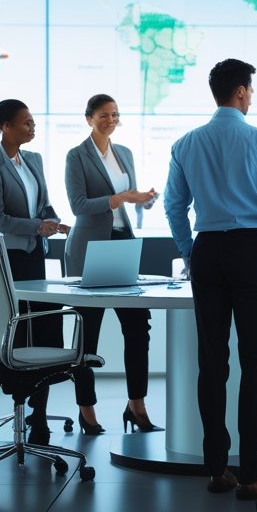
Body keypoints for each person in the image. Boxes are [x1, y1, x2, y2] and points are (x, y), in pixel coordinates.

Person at [164, 59, 257, 500]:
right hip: (250, 251)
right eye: (251, 90)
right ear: (242, 92)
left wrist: (190, 252)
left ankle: (217, 469)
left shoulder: (186, 143)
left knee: (212, 362)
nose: (251, 96)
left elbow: (173, 206)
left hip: (207, 252)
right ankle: (253, 474)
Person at [0, 98, 71, 445]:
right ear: (5, 126)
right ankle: (23, 407)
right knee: (22, 333)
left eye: (33, 122)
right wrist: (37, 226)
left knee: (45, 327)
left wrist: (53, 221)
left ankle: (40, 413)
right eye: (27, 123)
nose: (33, 127)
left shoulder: (34, 160)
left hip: (36, 256)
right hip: (12, 259)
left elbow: (43, 203)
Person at [64, 94, 161, 435]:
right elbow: (78, 205)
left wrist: (144, 201)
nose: (111, 120)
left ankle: (137, 405)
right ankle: (86, 409)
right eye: (104, 115)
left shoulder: (125, 154)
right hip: (89, 249)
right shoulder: (76, 156)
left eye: (116, 114)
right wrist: (121, 198)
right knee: (87, 332)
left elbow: (127, 201)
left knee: (138, 327)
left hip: (122, 244)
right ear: (89, 117)